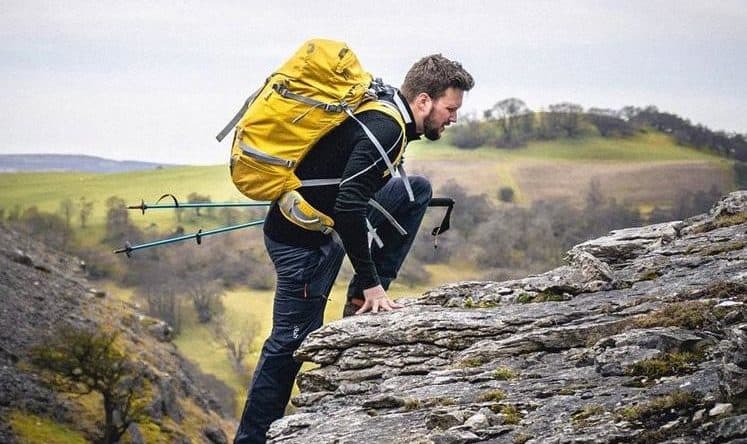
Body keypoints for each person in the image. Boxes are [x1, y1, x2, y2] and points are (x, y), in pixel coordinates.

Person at [233, 54, 474, 444]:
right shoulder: (387, 128)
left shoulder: (387, 111)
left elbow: (355, 195)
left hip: (326, 229)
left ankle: (360, 301)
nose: (454, 118)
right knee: (289, 346)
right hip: (302, 245)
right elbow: (348, 205)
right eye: (450, 109)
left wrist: (368, 282)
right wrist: (371, 279)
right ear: (424, 101)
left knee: (416, 191)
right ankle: (251, 440)